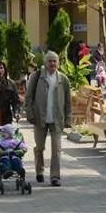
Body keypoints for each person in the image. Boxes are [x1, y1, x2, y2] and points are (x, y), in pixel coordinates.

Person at [25, 50, 72, 186]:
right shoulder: (37, 76)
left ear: (58, 63)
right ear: (45, 63)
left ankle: (55, 177)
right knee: (40, 147)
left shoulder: (63, 79)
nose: (52, 63)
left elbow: (68, 102)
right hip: (40, 118)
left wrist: (68, 118)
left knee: (56, 149)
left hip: (57, 119)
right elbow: (28, 97)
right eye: (50, 61)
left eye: (54, 61)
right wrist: (30, 113)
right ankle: (39, 171)